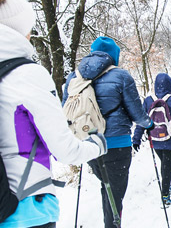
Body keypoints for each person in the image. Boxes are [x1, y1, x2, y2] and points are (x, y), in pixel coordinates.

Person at [0, 0, 107, 227]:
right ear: (17, 30)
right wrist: (97, 144)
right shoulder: (27, 75)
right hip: (24, 211)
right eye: (27, 29)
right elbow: (66, 151)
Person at [62, 36, 153, 228]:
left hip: (89, 145)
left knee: (107, 187)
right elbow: (137, 114)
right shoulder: (121, 76)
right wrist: (149, 124)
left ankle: (109, 221)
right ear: (113, 56)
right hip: (117, 145)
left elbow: (65, 110)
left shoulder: (74, 77)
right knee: (115, 195)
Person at [132, 73, 171, 205]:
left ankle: (166, 186)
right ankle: (165, 195)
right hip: (170, 139)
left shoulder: (148, 100)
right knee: (167, 166)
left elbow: (142, 121)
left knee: (164, 164)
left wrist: (136, 139)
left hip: (155, 139)